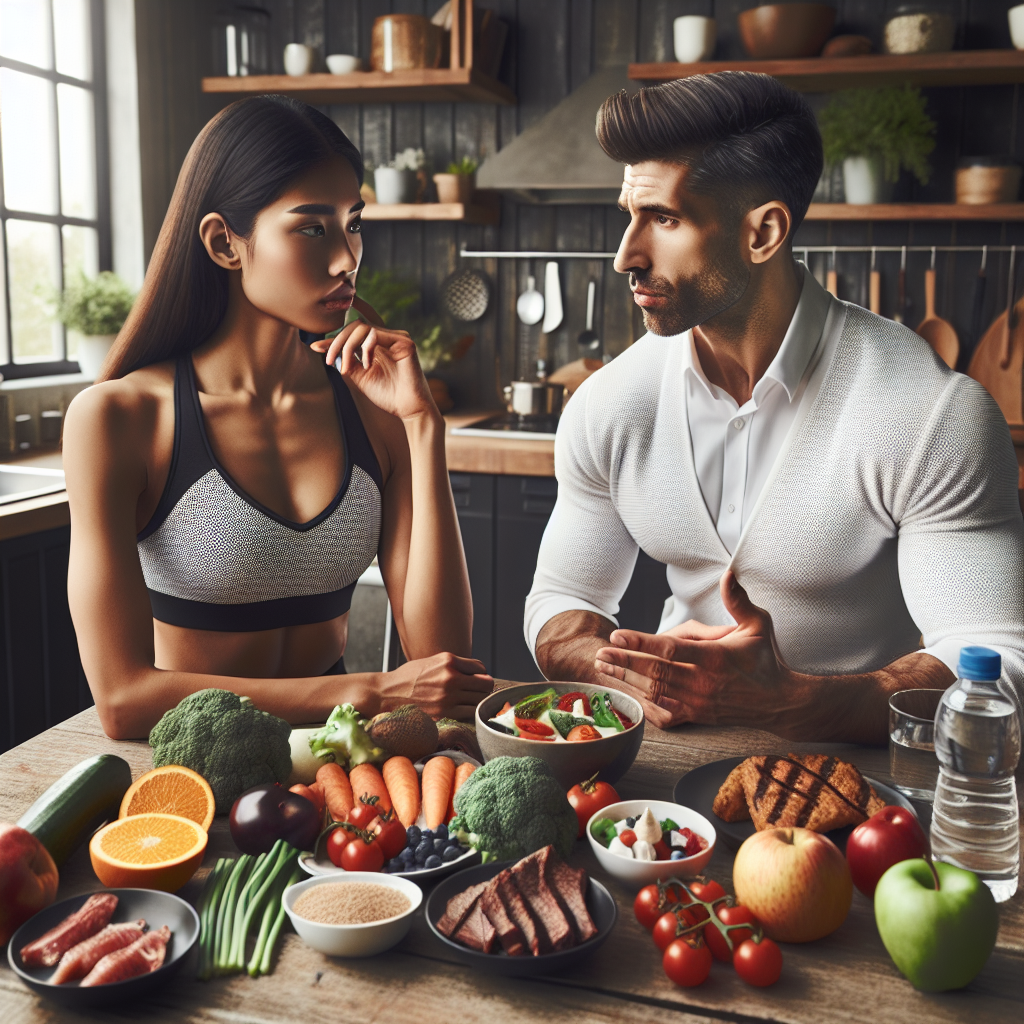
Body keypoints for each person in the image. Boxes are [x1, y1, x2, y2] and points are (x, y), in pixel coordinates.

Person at [524, 72, 1024, 744]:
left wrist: (792, 703)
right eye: (628, 216)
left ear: (763, 233)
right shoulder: (611, 404)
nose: (625, 258)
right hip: (665, 774)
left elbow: (998, 665)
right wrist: (638, 673)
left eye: (665, 220)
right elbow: (562, 602)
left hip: (865, 778)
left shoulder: (929, 413)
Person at [64, 96, 492, 739]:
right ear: (224, 243)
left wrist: (421, 427)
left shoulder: (372, 407)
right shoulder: (121, 419)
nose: (348, 257)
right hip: (192, 770)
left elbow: (440, 661)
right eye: (312, 228)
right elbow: (123, 700)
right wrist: (370, 691)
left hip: (340, 764)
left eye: (353, 224)